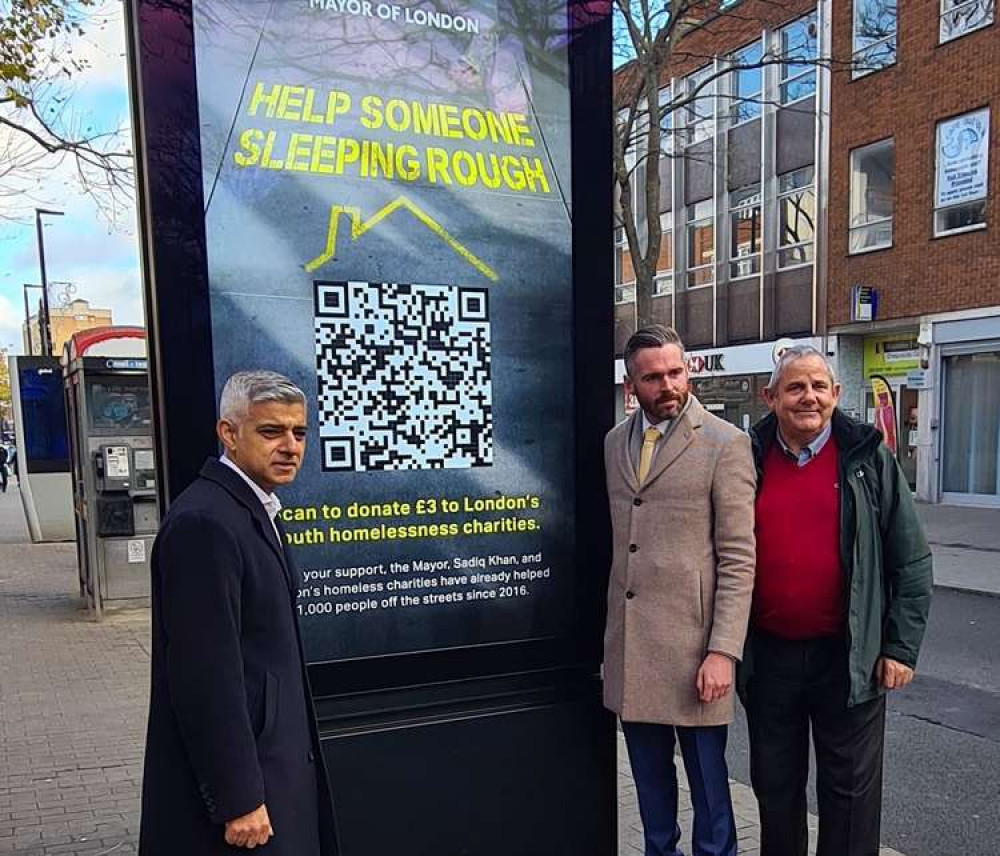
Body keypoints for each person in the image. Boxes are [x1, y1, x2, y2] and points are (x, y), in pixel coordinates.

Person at [742, 345, 933, 856]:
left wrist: (900, 647)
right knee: (775, 789)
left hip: (851, 657)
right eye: (795, 387)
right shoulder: (746, 457)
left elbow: (911, 560)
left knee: (850, 798)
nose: (809, 397)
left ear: (836, 394)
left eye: (819, 387)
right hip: (770, 658)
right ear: (771, 397)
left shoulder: (868, 458)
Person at [139, 371, 338, 855]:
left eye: (299, 432)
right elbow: (204, 675)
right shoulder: (205, 524)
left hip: (274, 770)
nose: (290, 446)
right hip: (248, 797)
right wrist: (238, 799)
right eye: (271, 431)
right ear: (228, 434)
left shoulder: (249, 507)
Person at [603, 325, 756, 856]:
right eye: (653, 377)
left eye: (676, 372)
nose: (668, 385)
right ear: (631, 383)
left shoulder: (725, 443)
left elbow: (739, 559)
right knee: (650, 796)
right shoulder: (612, 444)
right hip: (634, 653)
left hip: (697, 656)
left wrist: (723, 651)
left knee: (711, 797)